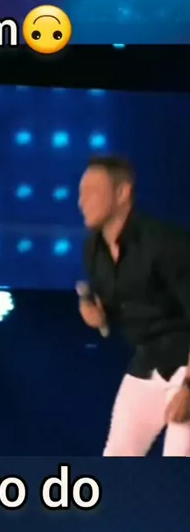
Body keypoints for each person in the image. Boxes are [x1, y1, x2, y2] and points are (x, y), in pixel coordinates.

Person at [78, 155, 190, 457]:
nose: (82, 202)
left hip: (185, 364)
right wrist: (98, 316)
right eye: (80, 193)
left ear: (122, 192)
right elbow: (116, 311)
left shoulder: (165, 243)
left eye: (92, 192)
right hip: (146, 363)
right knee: (117, 456)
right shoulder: (94, 250)